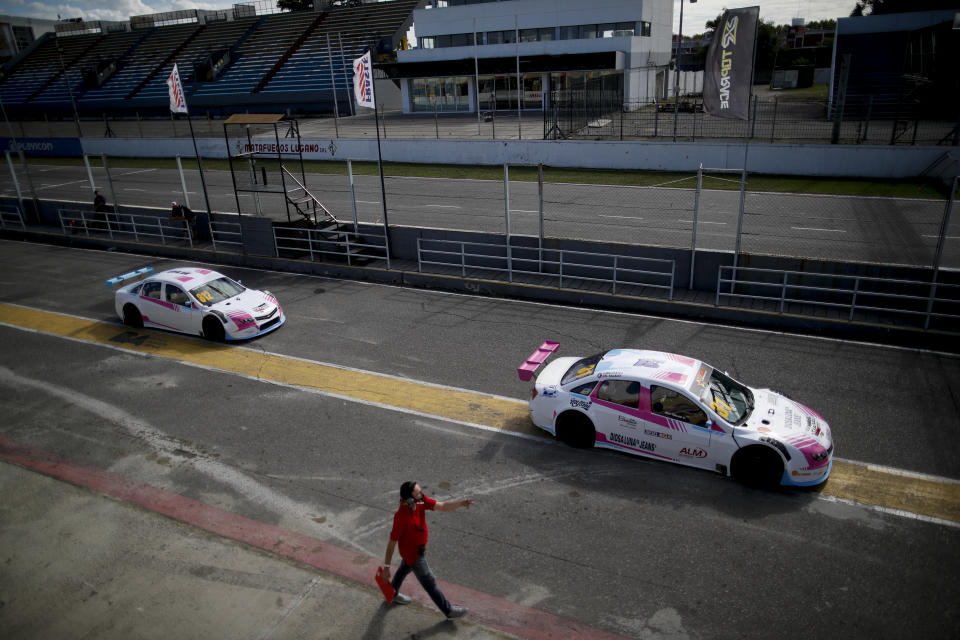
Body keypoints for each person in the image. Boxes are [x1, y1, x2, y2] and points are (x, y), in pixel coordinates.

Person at [382, 481, 474, 619]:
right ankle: (448, 611)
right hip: (415, 556)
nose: (422, 493)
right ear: (409, 499)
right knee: (429, 582)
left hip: (411, 554)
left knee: (404, 569)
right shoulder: (402, 517)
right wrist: (386, 567)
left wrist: (460, 503)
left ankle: (392, 593)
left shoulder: (420, 502)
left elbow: (441, 506)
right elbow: (392, 543)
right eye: (418, 492)